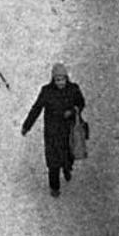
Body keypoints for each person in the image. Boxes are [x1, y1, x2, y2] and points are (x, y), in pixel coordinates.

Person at [20, 60, 86, 196]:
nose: (60, 82)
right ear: (53, 79)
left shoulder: (73, 89)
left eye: (62, 79)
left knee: (68, 155)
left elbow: (81, 103)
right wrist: (27, 126)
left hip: (68, 130)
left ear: (67, 78)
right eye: (57, 79)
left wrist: (73, 111)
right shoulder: (47, 92)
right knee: (53, 161)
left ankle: (67, 168)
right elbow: (36, 108)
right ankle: (54, 187)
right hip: (52, 133)